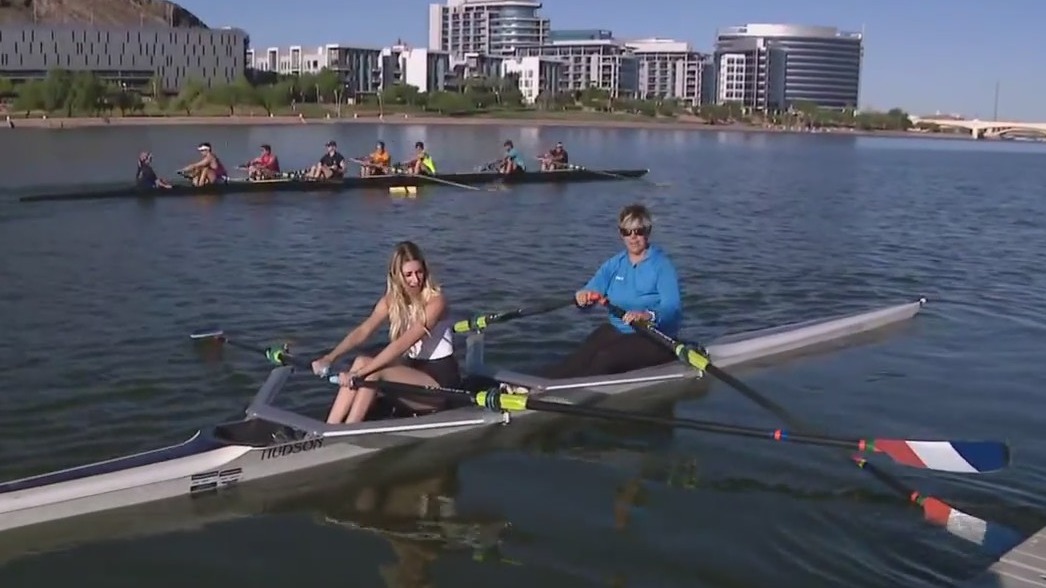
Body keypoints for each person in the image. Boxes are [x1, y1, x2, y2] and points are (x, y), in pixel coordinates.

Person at [312, 241, 461, 424]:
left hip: (441, 382)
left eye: (419, 272)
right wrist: (329, 358)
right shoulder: (390, 301)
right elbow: (363, 331)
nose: (415, 280)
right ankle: (328, 428)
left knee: (373, 372)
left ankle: (349, 429)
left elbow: (402, 344)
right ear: (397, 276)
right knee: (360, 361)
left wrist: (358, 375)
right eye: (408, 275)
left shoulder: (436, 302)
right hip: (412, 371)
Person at [542, 203, 681, 379]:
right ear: (620, 234)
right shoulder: (614, 264)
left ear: (648, 232)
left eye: (638, 231)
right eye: (626, 232)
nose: (633, 237)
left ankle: (574, 391)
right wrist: (583, 297)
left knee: (604, 357)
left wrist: (647, 315)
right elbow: (592, 289)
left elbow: (672, 308)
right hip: (619, 331)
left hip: (654, 337)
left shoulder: (662, 266)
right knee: (579, 358)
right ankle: (531, 386)